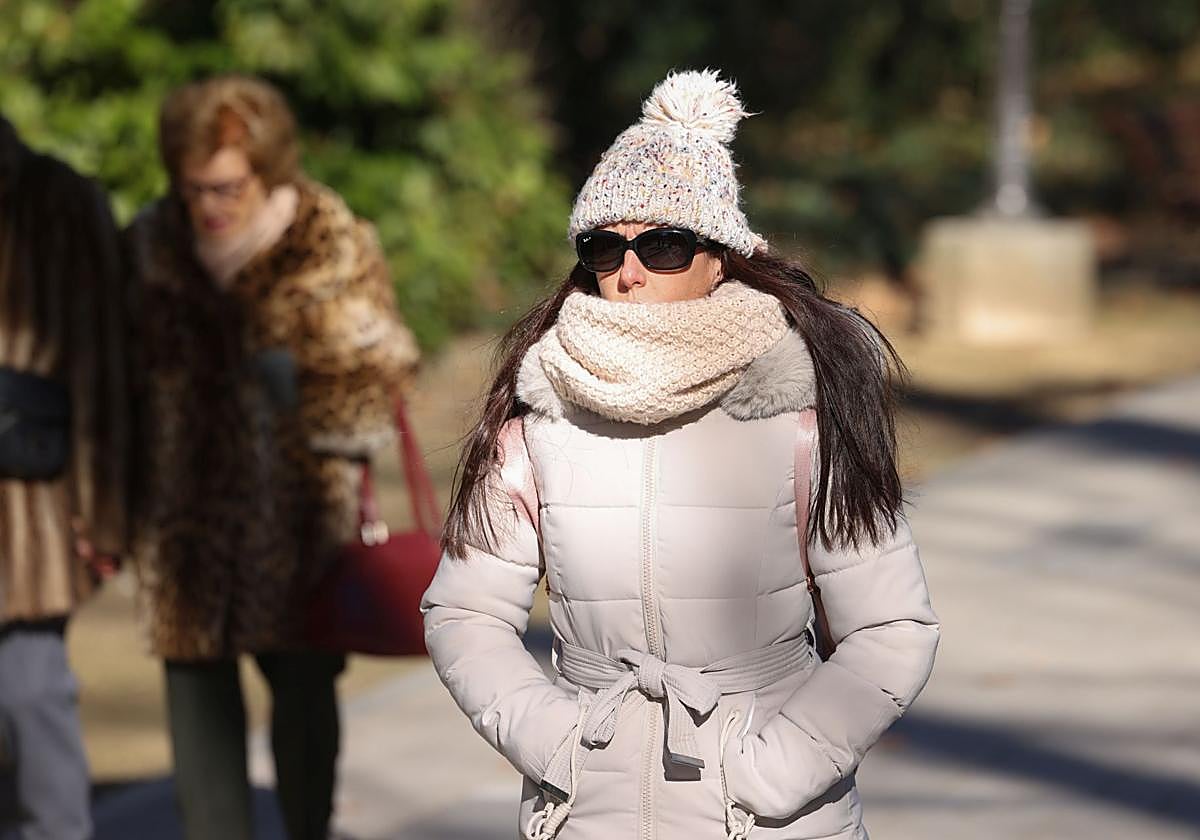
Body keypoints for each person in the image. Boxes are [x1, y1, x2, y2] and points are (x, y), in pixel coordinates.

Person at [422, 69, 939, 840]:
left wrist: (768, 773)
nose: (628, 273)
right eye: (604, 247)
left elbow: (890, 628)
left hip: (771, 818)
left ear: (719, 254)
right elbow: (464, 611)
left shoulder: (799, 410)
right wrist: (558, 747)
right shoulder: (540, 417)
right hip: (585, 809)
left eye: (663, 245)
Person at [125, 76, 418, 840]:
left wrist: (297, 375)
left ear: (267, 170)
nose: (208, 205)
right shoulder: (152, 245)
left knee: (304, 713)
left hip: (294, 525)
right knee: (198, 719)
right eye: (193, 188)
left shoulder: (330, 238)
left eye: (225, 186)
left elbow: (386, 363)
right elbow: (115, 378)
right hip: (181, 529)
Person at [0, 117, 128, 839]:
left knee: (30, 693)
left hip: (25, 502)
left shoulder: (59, 201)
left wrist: (102, 508)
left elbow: (102, 360)